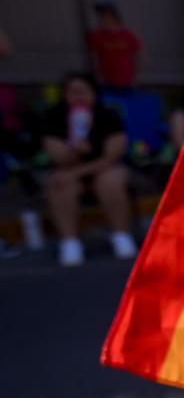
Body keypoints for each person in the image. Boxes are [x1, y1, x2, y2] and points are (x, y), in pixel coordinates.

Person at [41, 72, 138, 266]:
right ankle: (70, 242)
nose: (78, 96)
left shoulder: (108, 115)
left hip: (102, 169)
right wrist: (74, 151)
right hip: (69, 170)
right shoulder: (54, 117)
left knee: (110, 179)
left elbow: (112, 156)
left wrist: (77, 172)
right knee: (58, 182)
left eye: (83, 91)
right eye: (72, 92)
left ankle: (121, 235)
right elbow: (56, 155)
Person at [87, 2, 142, 89]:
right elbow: (94, 56)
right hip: (106, 80)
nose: (103, 18)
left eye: (106, 14)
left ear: (115, 16)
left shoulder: (127, 34)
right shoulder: (95, 35)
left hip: (127, 79)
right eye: (100, 15)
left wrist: (136, 76)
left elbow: (139, 54)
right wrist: (97, 75)